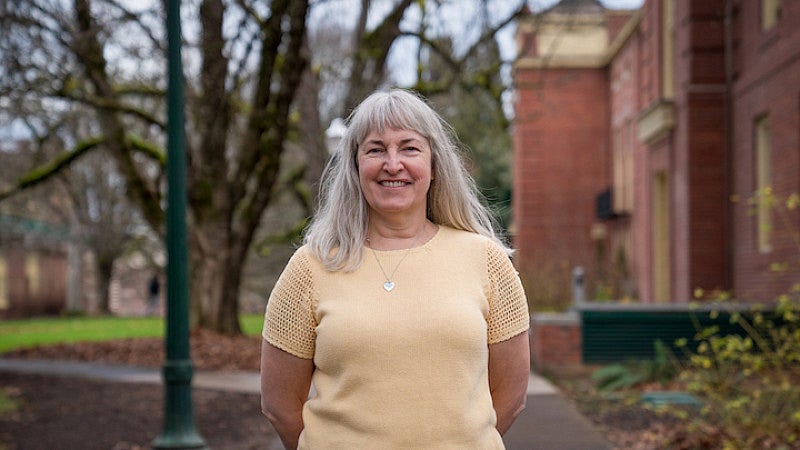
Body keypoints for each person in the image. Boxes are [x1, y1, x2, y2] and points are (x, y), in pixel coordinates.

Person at [260, 89, 530, 449]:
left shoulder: (487, 260)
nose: (392, 163)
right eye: (375, 149)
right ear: (355, 167)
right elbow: (279, 405)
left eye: (409, 147)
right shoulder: (310, 267)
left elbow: (510, 396)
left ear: (434, 165)